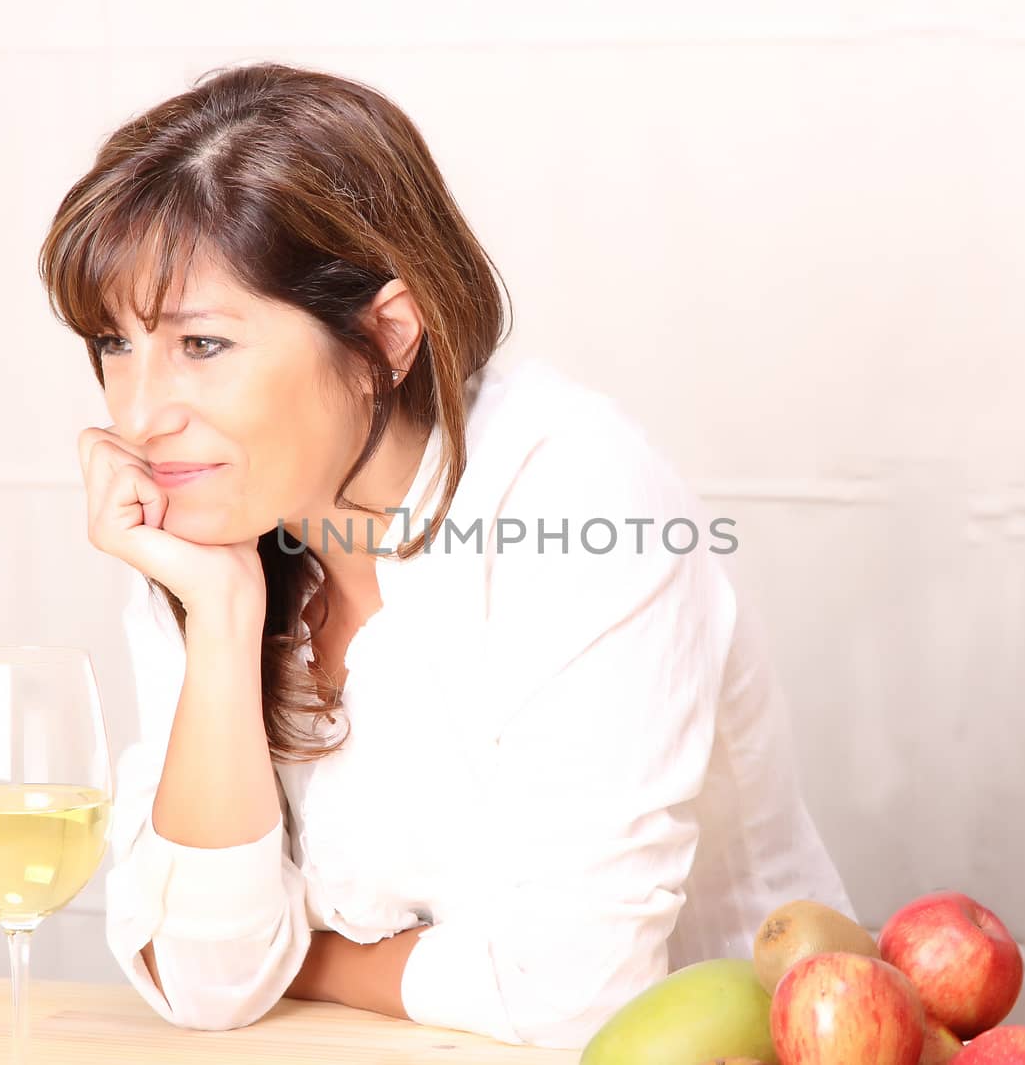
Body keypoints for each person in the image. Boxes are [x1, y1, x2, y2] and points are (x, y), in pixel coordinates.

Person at [44, 60, 852, 1051]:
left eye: (201, 344)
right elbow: (209, 980)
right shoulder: (210, 524)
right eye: (114, 342)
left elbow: (578, 992)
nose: (137, 414)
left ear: (386, 333)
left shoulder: (580, 497)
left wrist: (298, 951)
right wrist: (219, 616)